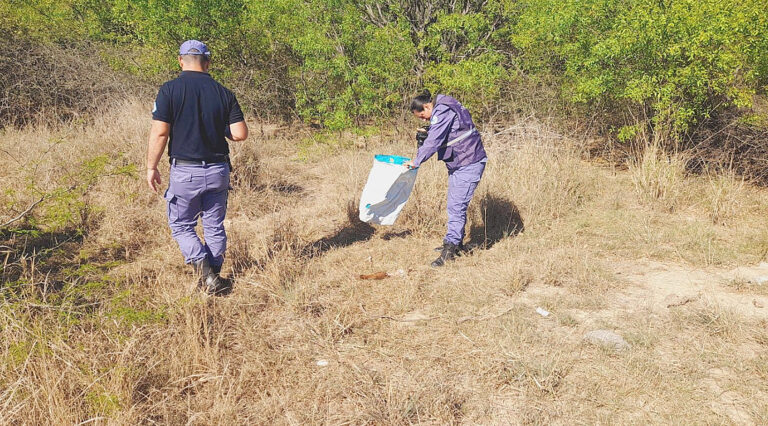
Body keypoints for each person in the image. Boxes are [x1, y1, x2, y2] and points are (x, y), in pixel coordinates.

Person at [146, 40, 248, 294]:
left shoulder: (169, 90)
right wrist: (218, 128)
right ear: (208, 62)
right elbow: (240, 133)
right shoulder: (224, 92)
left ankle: (206, 275)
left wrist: (151, 166)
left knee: (181, 225)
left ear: (180, 61)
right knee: (214, 226)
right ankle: (214, 276)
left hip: (185, 172)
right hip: (218, 171)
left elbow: (160, 133)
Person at [405, 90, 488, 267]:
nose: (424, 120)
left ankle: (450, 250)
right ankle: (455, 243)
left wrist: (417, 160)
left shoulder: (442, 110)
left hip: (468, 163)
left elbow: (434, 140)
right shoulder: (444, 107)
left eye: (423, 116)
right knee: (455, 204)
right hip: (462, 162)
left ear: (428, 106)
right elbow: (448, 132)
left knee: (456, 206)